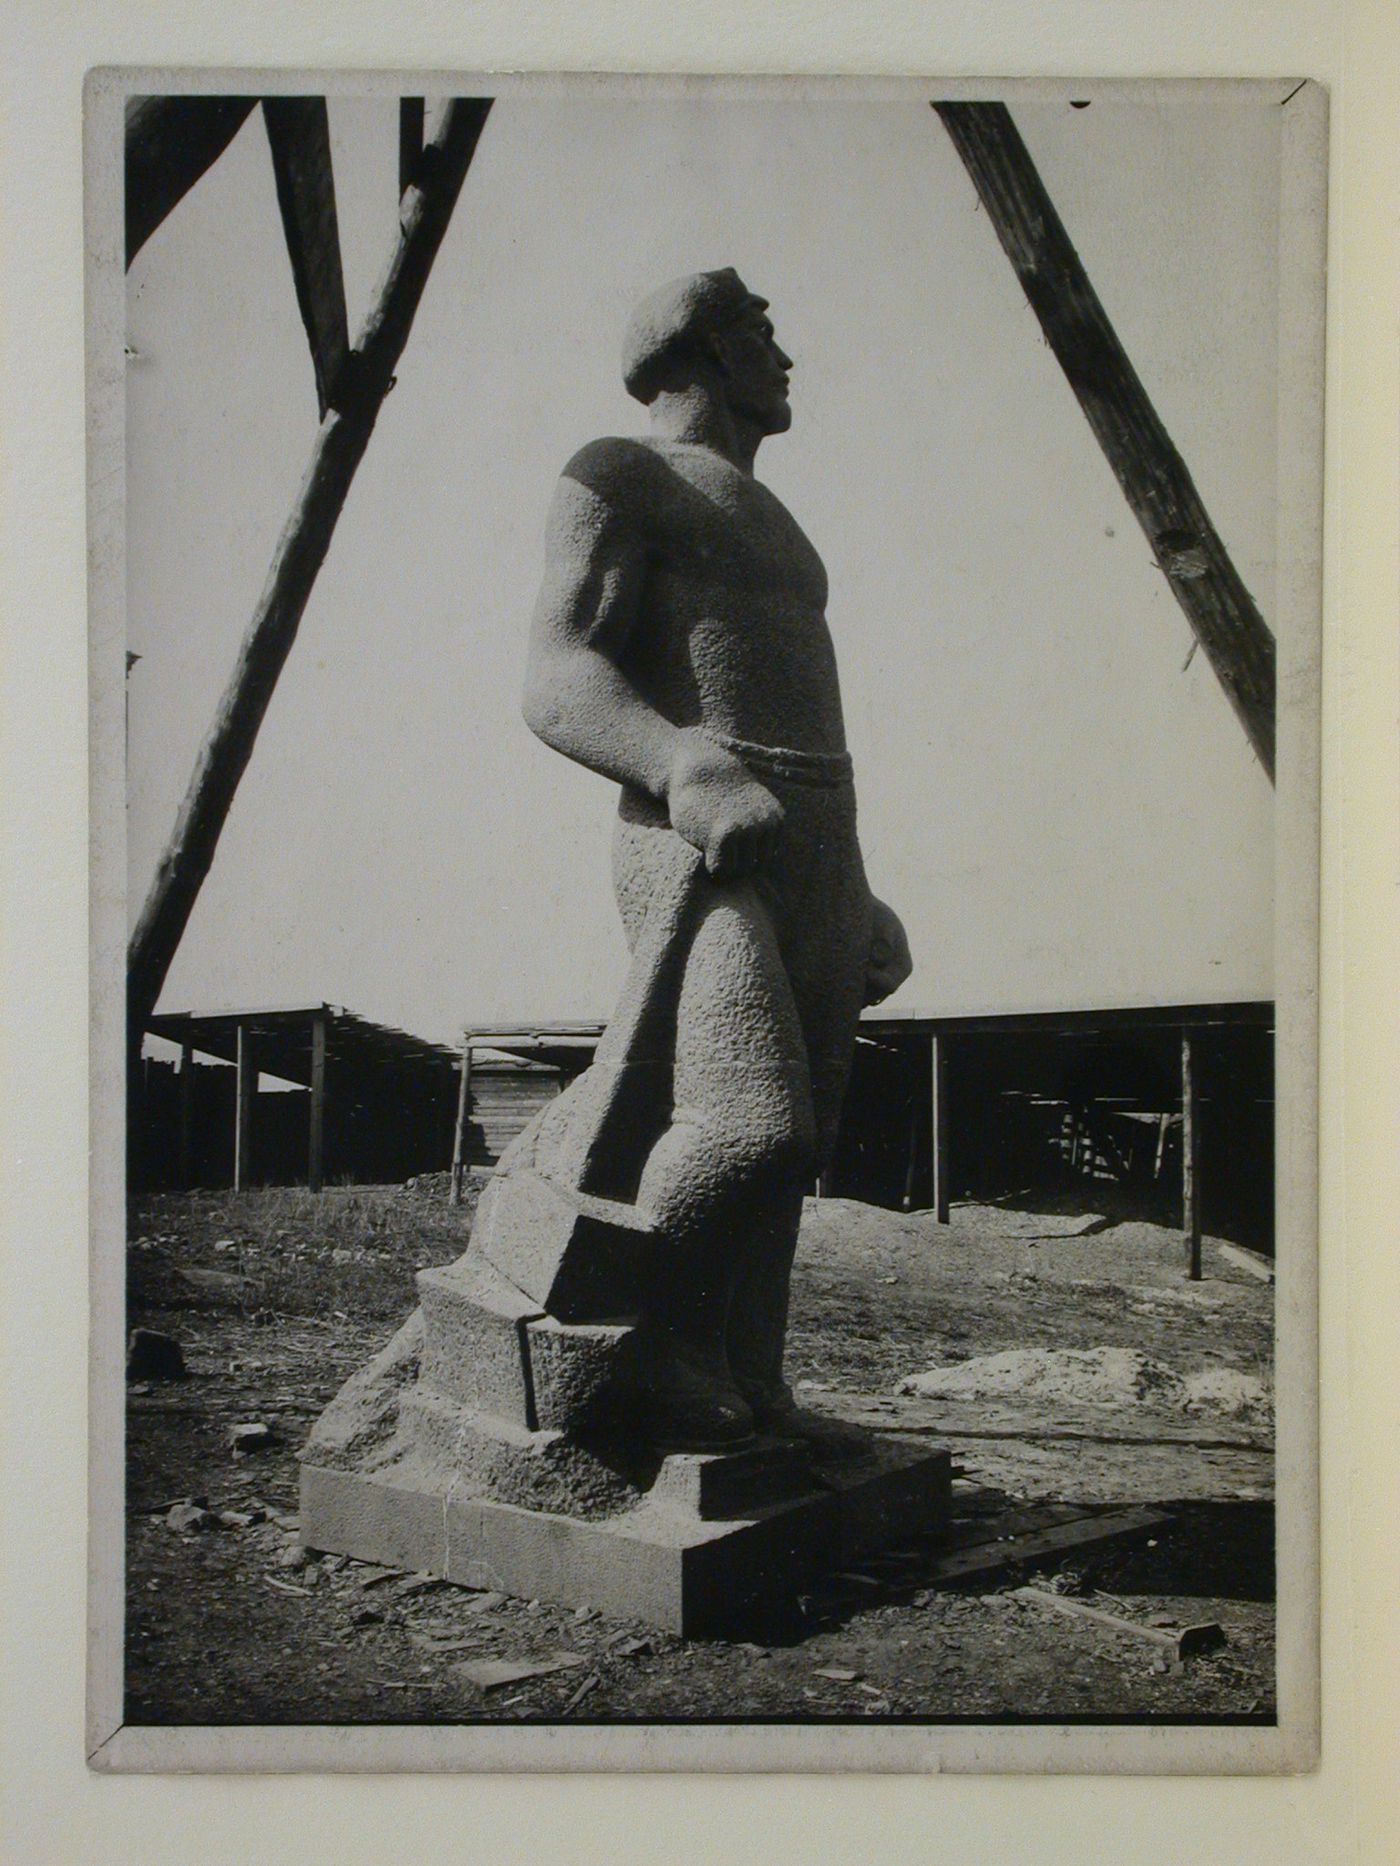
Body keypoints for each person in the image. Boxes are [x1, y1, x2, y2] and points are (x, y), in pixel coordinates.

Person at [520, 269, 912, 1450]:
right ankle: (640, 1363)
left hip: (811, 842)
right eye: (759, 332)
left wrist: (854, 885)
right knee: (750, 1127)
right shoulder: (616, 474)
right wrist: (682, 764)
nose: (782, 356)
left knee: (798, 1154)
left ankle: (749, 1381)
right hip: (697, 834)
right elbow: (557, 675)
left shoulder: (769, 514)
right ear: (695, 348)